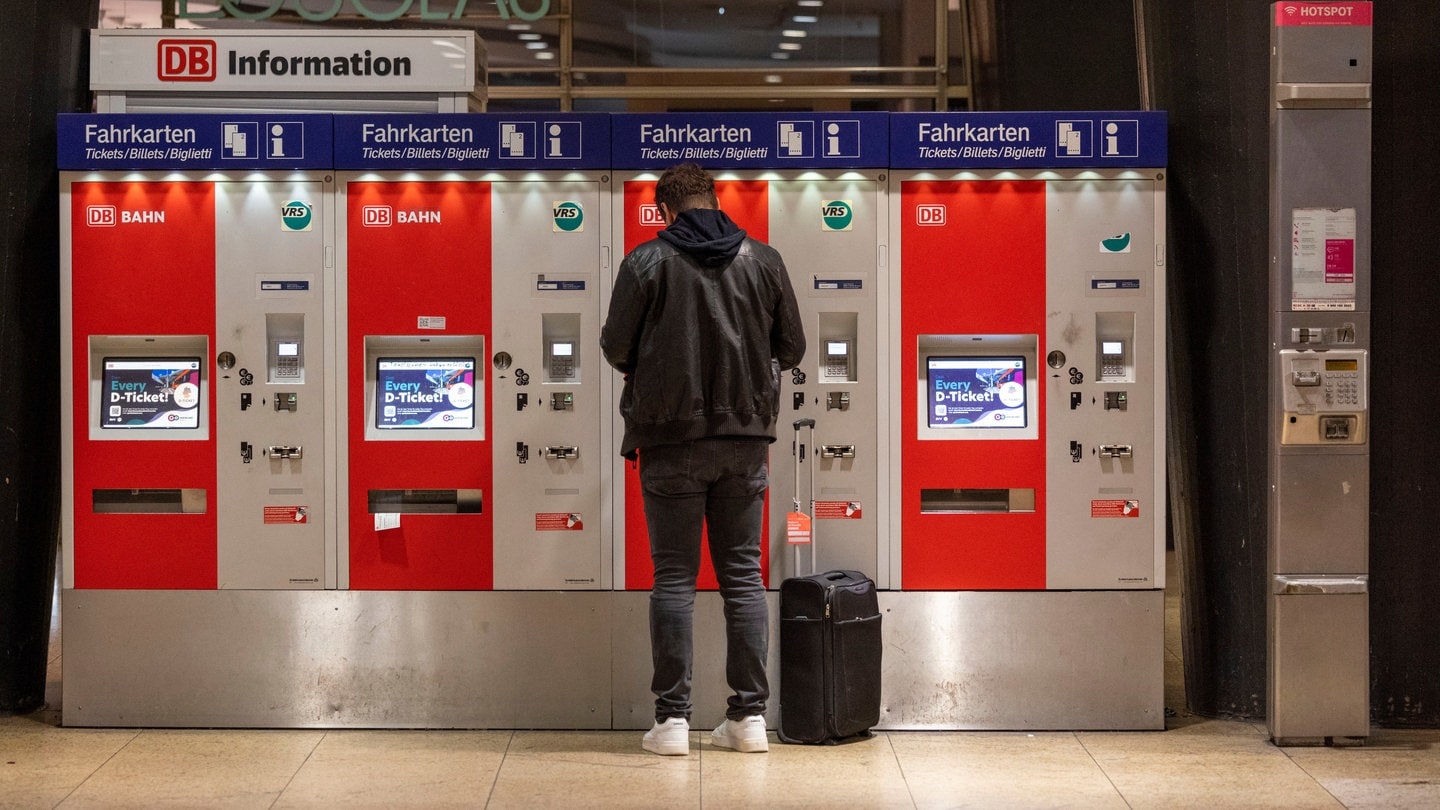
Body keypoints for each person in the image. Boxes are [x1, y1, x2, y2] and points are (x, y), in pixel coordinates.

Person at [601, 163, 806, 756]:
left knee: (674, 579)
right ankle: (748, 720)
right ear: (715, 200)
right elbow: (791, 347)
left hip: (668, 441)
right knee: (742, 577)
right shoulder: (763, 260)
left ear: (664, 211)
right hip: (745, 441)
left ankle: (671, 722)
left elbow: (616, 348)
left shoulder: (646, 262)